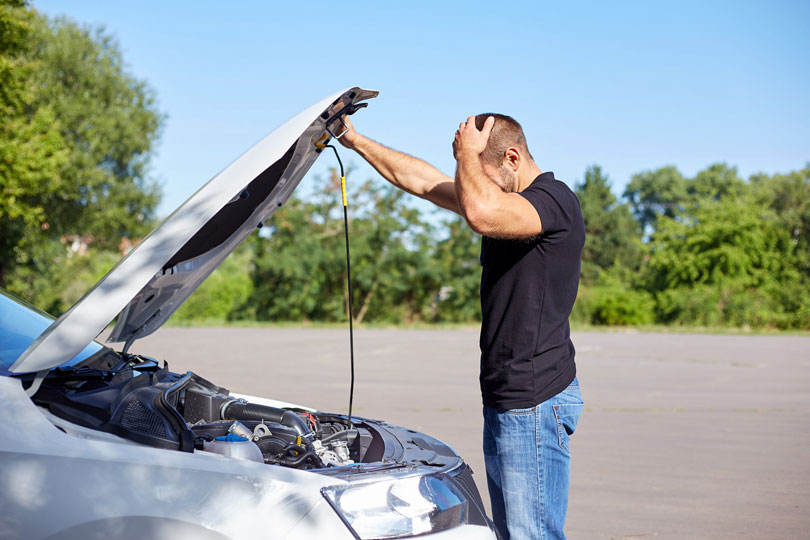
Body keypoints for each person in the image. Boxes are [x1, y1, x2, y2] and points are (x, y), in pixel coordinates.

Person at [338, 113, 585, 540]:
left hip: (534, 399)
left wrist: (466, 154)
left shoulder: (552, 200)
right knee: (514, 533)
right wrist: (355, 140)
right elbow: (424, 182)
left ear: (512, 158)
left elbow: (480, 213)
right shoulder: (504, 202)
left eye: (482, 173)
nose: (475, 186)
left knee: (531, 535)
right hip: (509, 397)